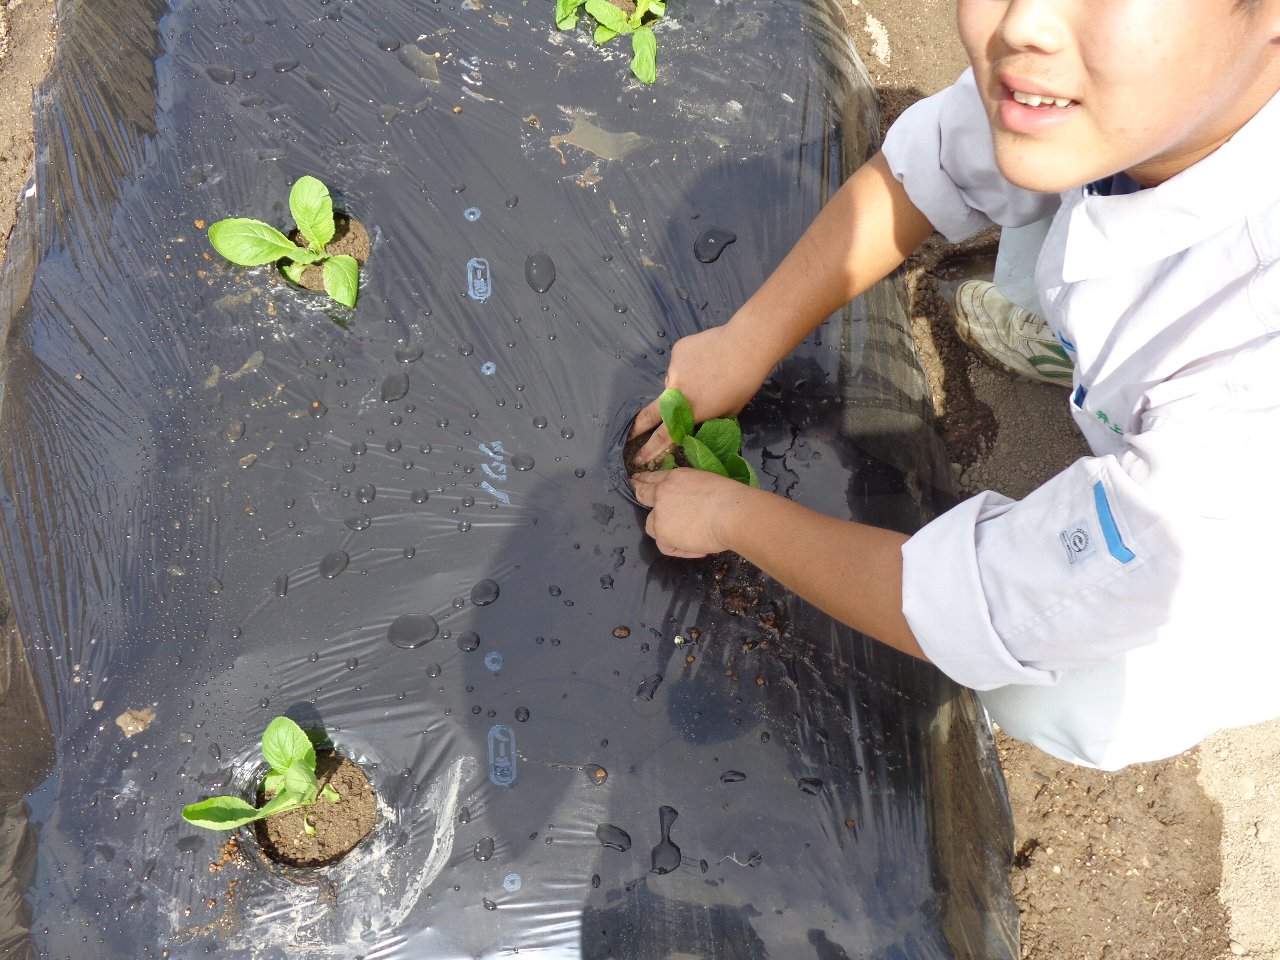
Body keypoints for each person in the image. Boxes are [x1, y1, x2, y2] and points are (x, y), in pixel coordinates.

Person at [628, 0, 1280, 771]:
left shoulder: (1248, 401)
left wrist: (734, 515)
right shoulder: (1118, 86)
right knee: (1037, 159)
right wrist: (744, 340)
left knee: (1058, 694)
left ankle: (1124, 384)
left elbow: (990, 607)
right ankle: (1094, 348)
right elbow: (933, 167)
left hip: (1249, 549)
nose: (1023, 24)